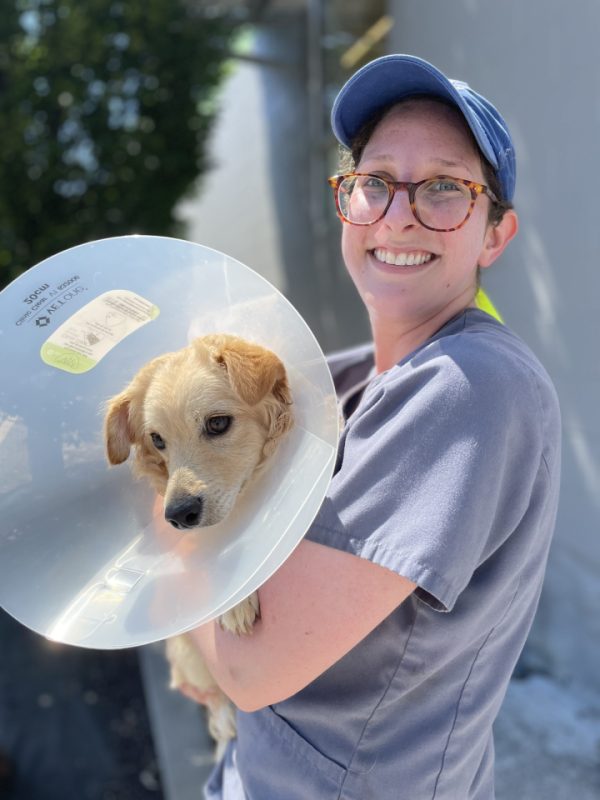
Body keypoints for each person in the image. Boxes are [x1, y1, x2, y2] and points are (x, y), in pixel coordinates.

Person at [182, 54, 561, 799]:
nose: (397, 216)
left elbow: (250, 667)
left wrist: (165, 528)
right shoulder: (351, 380)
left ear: (495, 233)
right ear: (346, 202)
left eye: (446, 189)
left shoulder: (469, 387)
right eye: (375, 183)